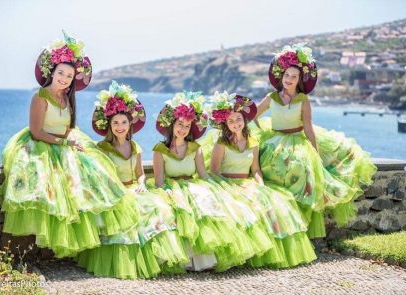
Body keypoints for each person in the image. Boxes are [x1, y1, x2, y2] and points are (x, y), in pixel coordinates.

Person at [0, 32, 138, 258]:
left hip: (65, 141)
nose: (64, 78)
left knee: (95, 172)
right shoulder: (40, 97)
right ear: (52, 72)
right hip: (44, 144)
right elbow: (36, 131)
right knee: (57, 188)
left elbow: (70, 125)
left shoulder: (68, 97)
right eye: (61, 73)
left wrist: (74, 139)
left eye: (69, 76)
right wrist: (64, 142)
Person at [251, 43, 377, 238]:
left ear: (299, 80)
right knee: (275, 172)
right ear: (281, 77)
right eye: (286, 76)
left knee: (300, 172)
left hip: (296, 140)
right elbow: (253, 115)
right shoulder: (271, 97)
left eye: (294, 77)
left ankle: (299, 221)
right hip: (274, 140)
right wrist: (259, 132)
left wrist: (315, 153)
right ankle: (281, 217)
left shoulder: (303, 100)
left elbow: (308, 127)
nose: (289, 79)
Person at [76, 81, 188, 279]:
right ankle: (128, 263)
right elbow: (100, 172)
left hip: (134, 187)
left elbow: (140, 174)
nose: (120, 127)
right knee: (130, 212)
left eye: (124, 123)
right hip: (115, 191)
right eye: (116, 123)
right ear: (109, 125)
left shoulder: (134, 146)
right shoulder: (103, 148)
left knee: (157, 207)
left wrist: (143, 184)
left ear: (130, 125)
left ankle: (155, 259)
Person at [152, 92, 270, 272]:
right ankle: (182, 259)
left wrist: (218, 188)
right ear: (172, 125)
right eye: (179, 124)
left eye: (187, 125)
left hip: (192, 185)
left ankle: (204, 258)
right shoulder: (160, 150)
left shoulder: (195, 149)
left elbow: (204, 175)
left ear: (191, 127)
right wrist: (167, 192)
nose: (182, 129)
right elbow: (159, 180)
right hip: (170, 187)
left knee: (205, 205)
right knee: (177, 211)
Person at [207, 91, 316, 268]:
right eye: (231, 121)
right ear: (226, 124)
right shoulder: (221, 144)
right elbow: (214, 171)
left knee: (274, 204)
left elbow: (256, 169)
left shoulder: (253, 142)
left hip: (247, 183)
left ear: (244, 120)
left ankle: (267, 251)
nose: (236, 124)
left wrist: (261, 185)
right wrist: (227, 186)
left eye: (238, 119)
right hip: (226, 183)